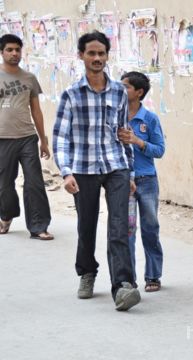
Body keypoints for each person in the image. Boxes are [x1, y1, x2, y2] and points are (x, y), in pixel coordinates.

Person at [52, 31, 140, 311]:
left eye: (101, 53)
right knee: (86, 225)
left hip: (116, 166)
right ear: (81, 56)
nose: (97, 58)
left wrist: (131, 173)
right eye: (91, 53)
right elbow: (61, 138)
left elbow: (123, 133)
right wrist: (66, 172)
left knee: (118, 227)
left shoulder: (118, 92)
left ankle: (123, 286)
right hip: (83, 168)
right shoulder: (71, 95)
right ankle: (87, 272)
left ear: (107, 56)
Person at [0, 34, 54, 240]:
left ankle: (39, 226)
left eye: (17, 50)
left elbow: (36, 110)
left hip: (27, 137)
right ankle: (5, 216)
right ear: (2, 52)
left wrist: (43, 140)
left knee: (34, 183)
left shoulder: (29, 78)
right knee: (4, 184)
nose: (14, 53)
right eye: (10, 50)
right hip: (2, 138)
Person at [117, 71, 165, 293]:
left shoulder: (149, 119)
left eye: (126, 86)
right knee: (127, 230)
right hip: (123, 181)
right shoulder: (115, 116)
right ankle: (129, 278)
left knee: (150, 228)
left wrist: (137, 141)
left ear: (139, 92)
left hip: (147, 182)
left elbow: (159, 150)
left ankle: (153, 275)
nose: (121, 89)